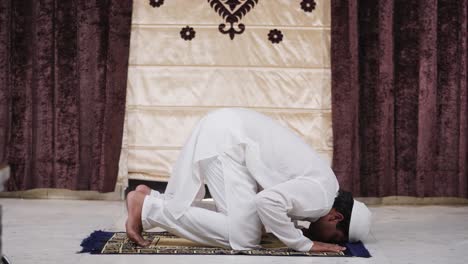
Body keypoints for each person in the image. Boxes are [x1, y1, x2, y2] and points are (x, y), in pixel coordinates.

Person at [125, 107, 371, 253]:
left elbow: (273, 201)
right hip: (229, 140)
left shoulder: (325, 189)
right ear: (335, 217)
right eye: (335, 238)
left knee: (249, 223)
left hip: (228, 133)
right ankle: (148, 207)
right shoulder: (319, 199)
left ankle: (151, 199)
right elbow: (267, 202)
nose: (326, 241)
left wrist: (287, 228)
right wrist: (303, 245)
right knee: (245, 237)